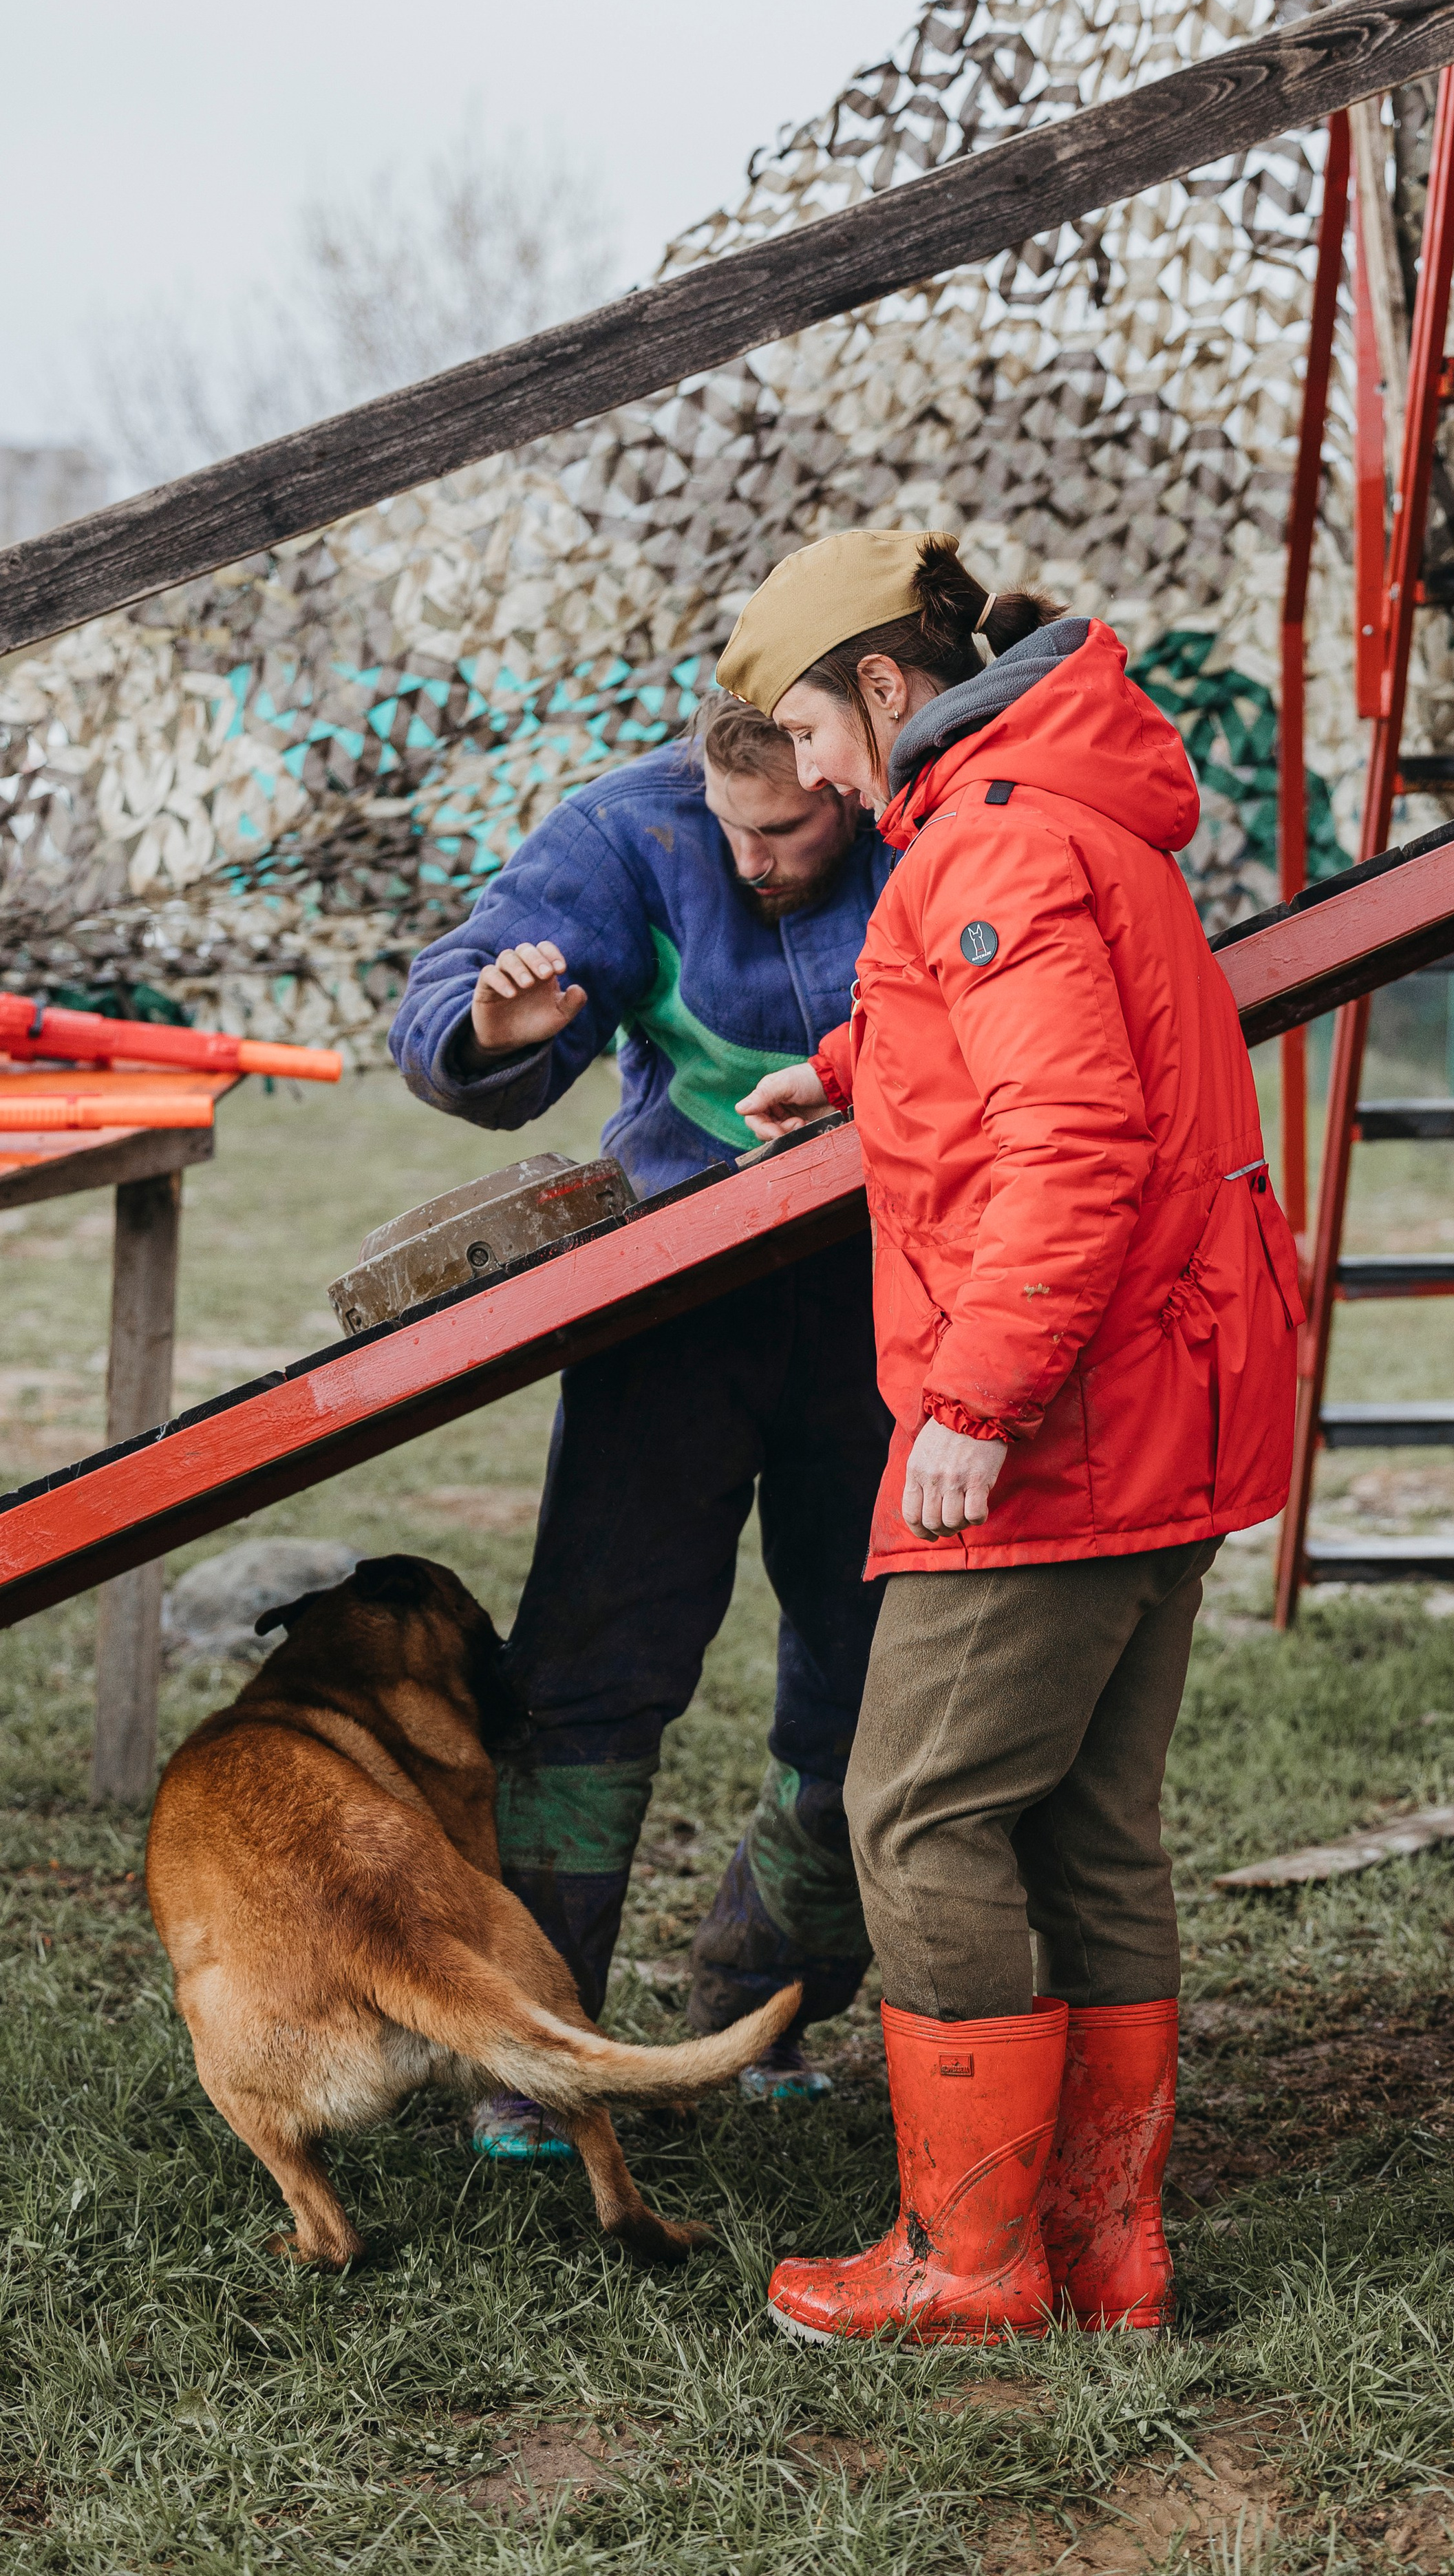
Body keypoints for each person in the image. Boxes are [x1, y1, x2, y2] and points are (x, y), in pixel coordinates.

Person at [727, 531, 1302, 2340]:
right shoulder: (1055, 815)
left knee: (913, 1811)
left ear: (886, 692)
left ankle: (968, 2263)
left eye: (814, 726)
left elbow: (1071, 1148)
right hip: (1170, 1396)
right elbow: (1057, 1047)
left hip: (1067, 1412)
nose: (812, 770)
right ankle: (1106, 2253)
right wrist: (842, 1069)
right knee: (1086, 1827)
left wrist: (973, 1402)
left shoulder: (992, 839)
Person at [388, 696, 896, 2147]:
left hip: (881, 1290)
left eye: (789, 829)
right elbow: (447, 999)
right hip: (670, 1304)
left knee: (871, 1668)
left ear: (846, 782)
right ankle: (536, 2043)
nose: (755, 862)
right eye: (731, 829)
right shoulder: (633, 825)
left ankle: (772, 1995)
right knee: (592, 1665)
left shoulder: (921, 817)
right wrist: (491, 1027)